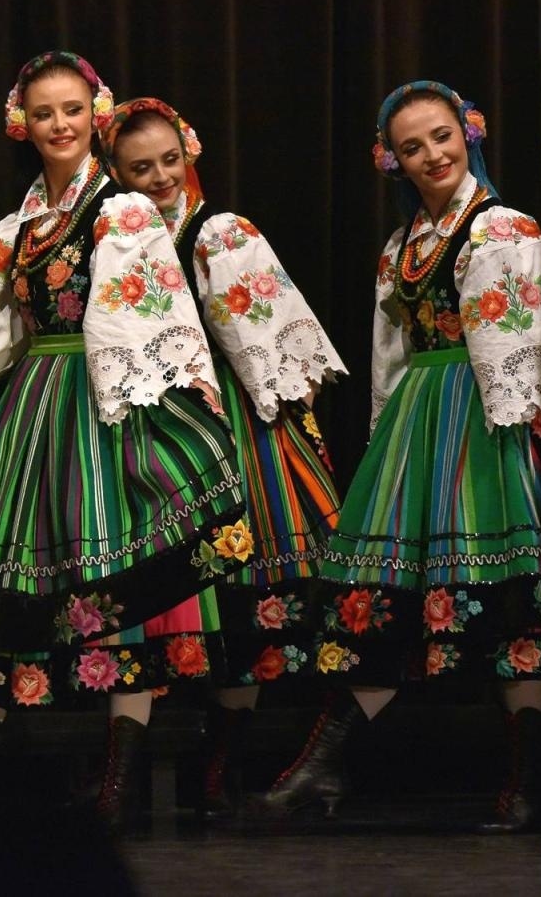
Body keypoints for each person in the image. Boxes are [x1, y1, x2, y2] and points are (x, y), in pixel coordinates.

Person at [261, 80, 541, 833]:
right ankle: (324, 758)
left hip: (490, 424)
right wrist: (384, 444)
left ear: (467, 133)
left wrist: (531, 440)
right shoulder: (403, 248)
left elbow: (533, 343)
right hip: (420, 426)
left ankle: (529, 779)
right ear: (391, 161)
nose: (431, 154)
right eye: (411, 147)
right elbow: (388, 354)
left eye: (440, 136)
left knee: (511, 602)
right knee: (381, 603)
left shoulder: (503, 229)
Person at [0, 51, 247, 828]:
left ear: (93, 114)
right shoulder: (18, 225)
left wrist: (167, 405)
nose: (58, 125)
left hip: (103, 400)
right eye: (43, 113)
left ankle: (119, 780)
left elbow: (154, 316)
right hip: (33, 401)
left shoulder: (122, 210)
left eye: (70, 110)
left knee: (115, 581)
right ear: (20, 123)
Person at [102, 97, 346, 819]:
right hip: (162, 428)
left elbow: (270, 344)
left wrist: (295, 440)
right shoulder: (119, 240)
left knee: (246, 599)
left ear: (191, 156)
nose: (160, 178)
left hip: (233, 425)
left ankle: (223, 766)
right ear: (116, 174)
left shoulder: (217, 233)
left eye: (169, 162)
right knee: (192, 603)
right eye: (140, 168)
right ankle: (208, 765)